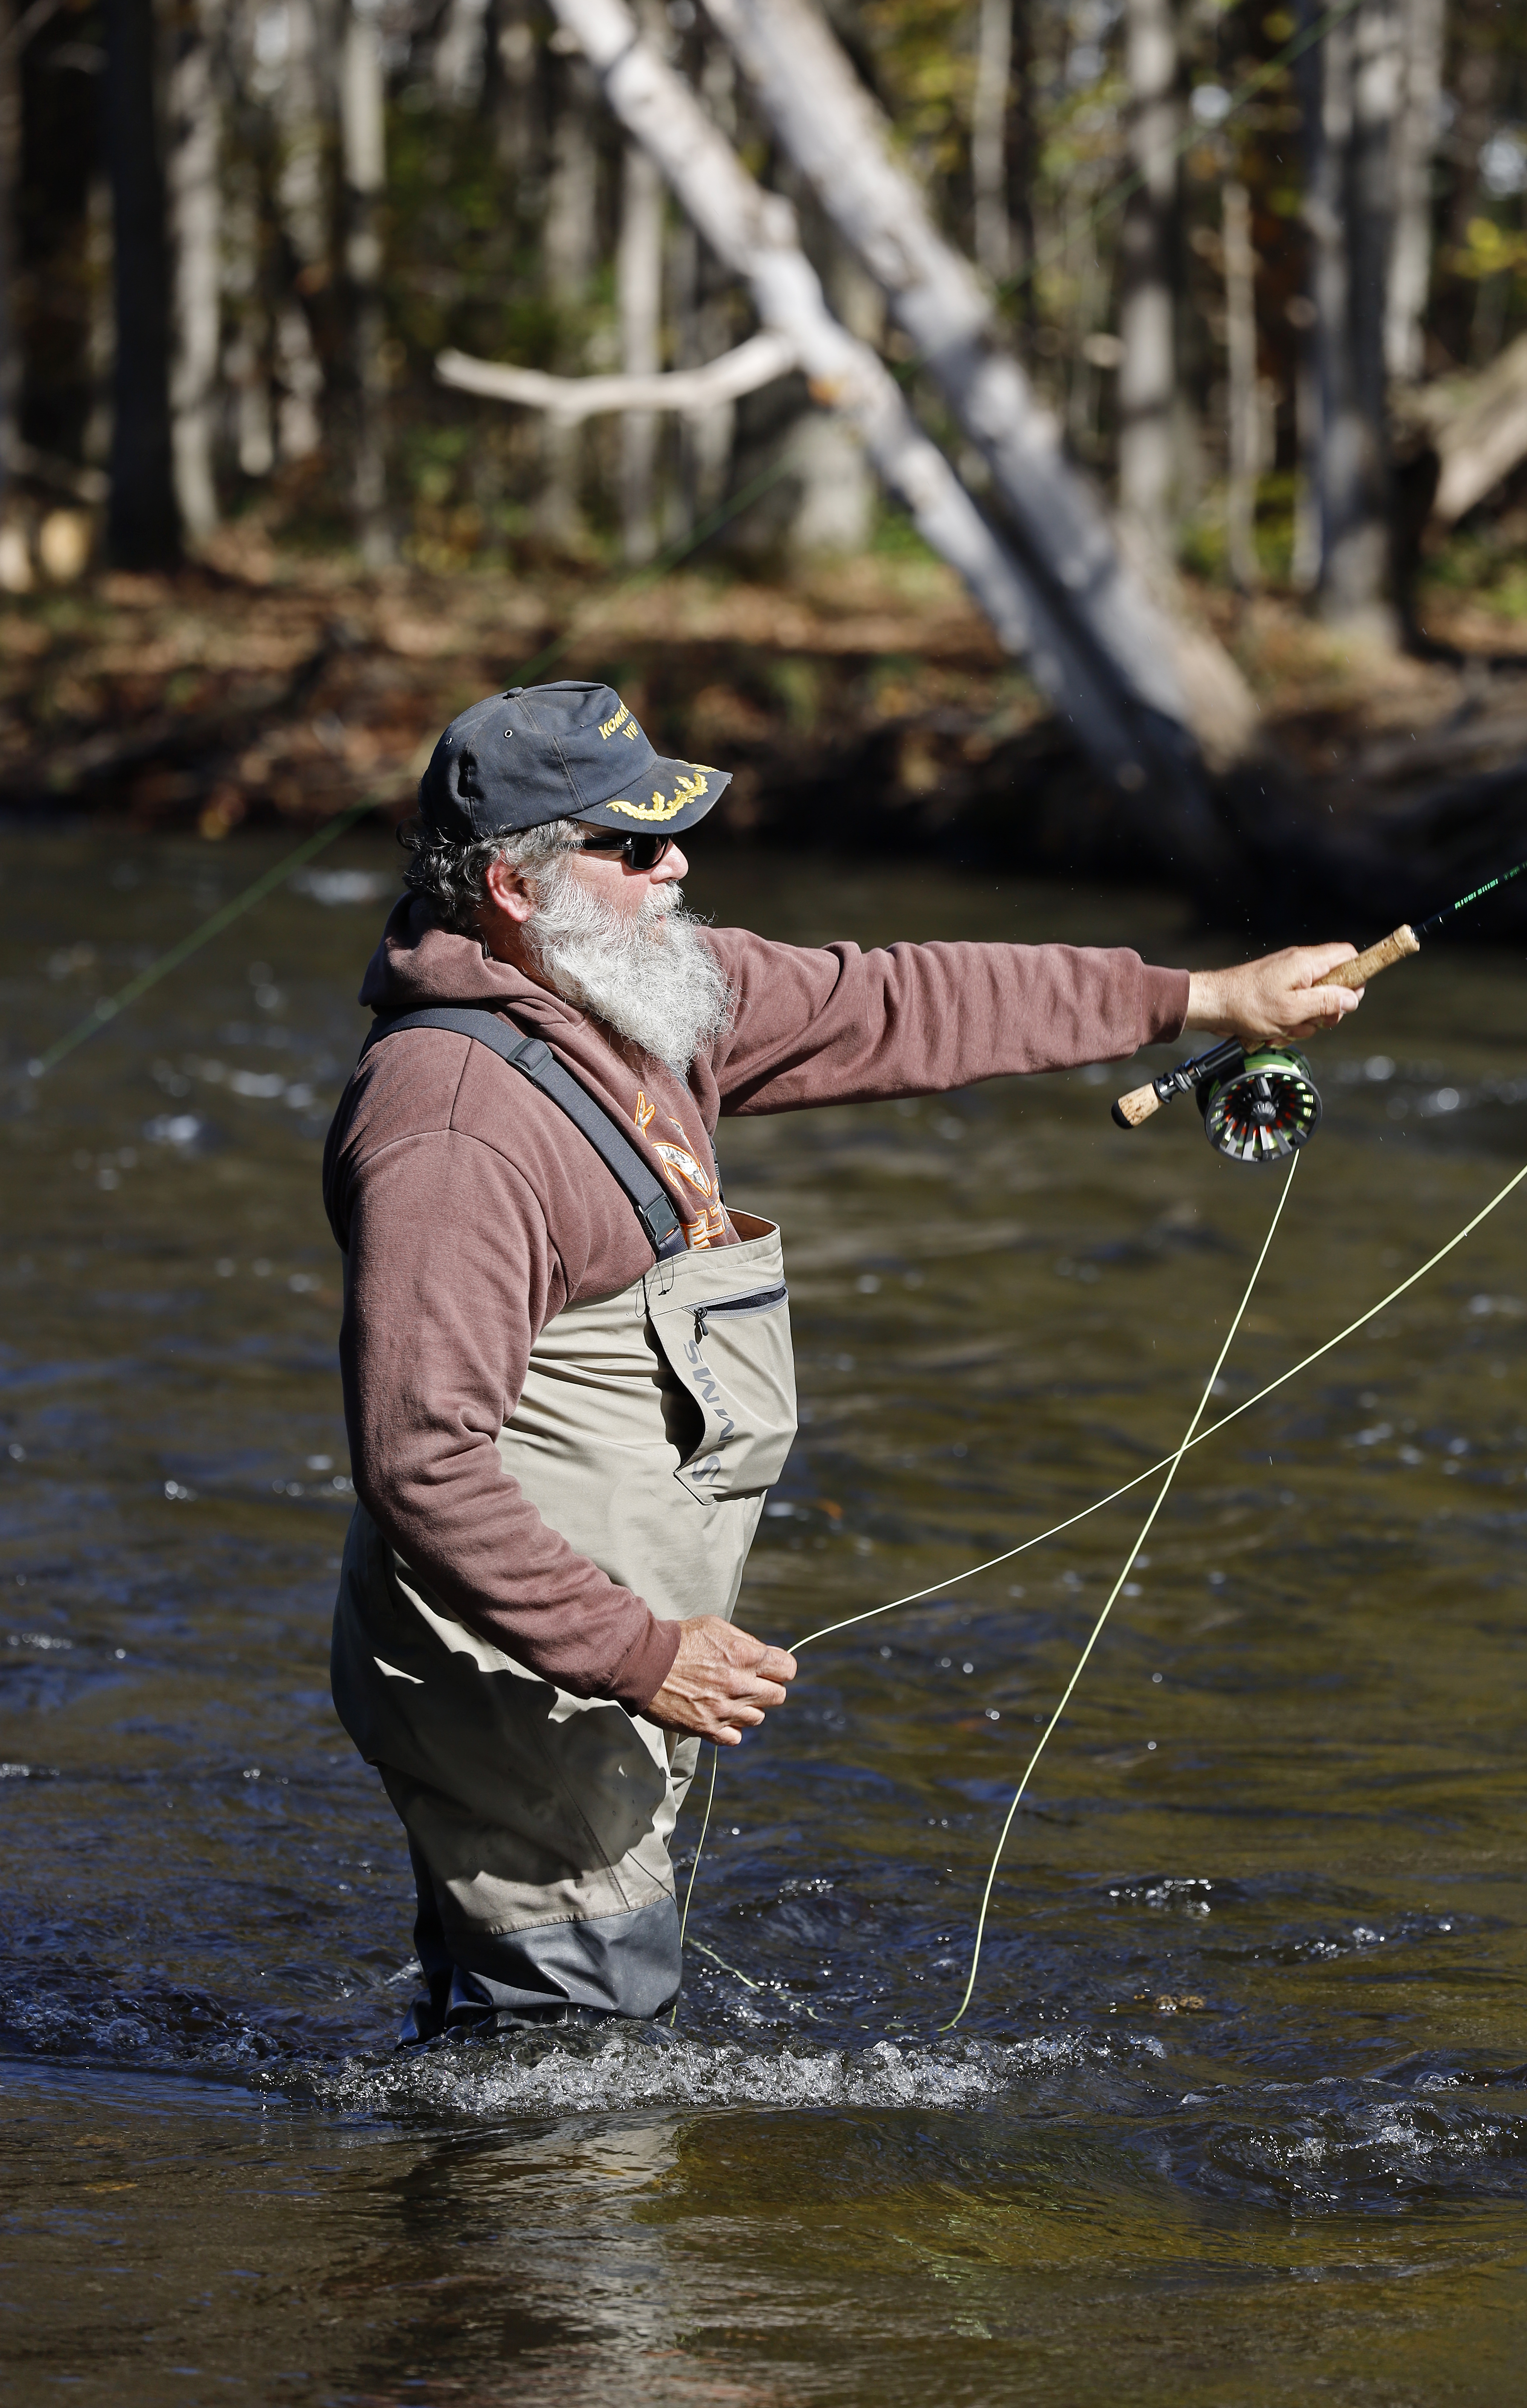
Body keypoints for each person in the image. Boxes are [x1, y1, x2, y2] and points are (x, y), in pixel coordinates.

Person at [323, 680, 1359, 2040]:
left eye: (676, 834)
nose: (677, 863)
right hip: (524, 1673)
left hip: (586, 1665)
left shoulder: (637, 995)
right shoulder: (455, 1131)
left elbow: (902, 1003)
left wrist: (1205, 999)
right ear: (517, 886)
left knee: (524, 2047)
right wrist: (641, 1653)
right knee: (575, 2085)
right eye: (635, 848)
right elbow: (421, 1463)